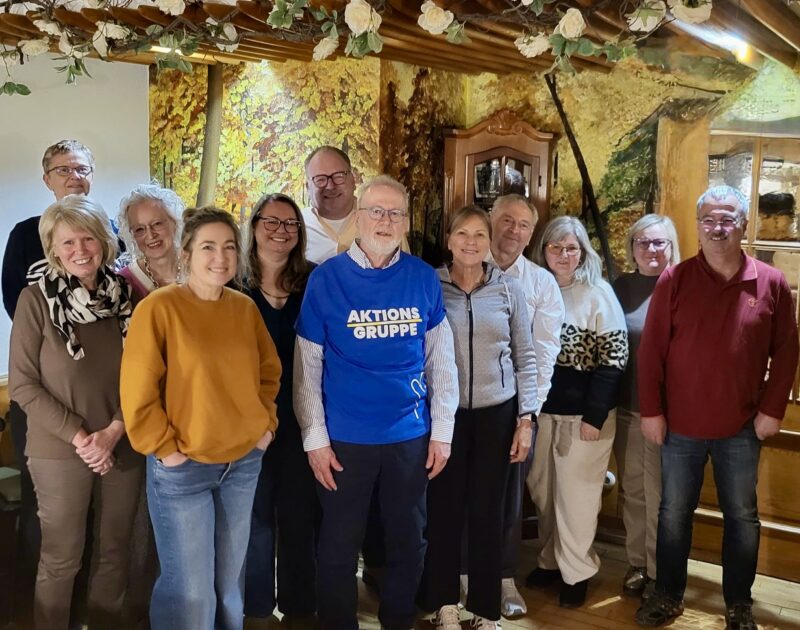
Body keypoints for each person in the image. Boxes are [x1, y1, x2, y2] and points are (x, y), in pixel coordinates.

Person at [293, 175, 458, 630]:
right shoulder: (326, 279)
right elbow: (307, 368)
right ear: (359, 217)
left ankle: (398, 620)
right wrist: (315, 440)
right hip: (345, 442)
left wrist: (442, 433)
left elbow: (440, 362)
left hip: (410, 436)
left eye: (395, 213)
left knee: (409, 541)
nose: (385, 221)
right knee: (338, 547)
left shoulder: (423, 278)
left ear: (405, 221)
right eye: (376, 211)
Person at [635, 186, 799, 629]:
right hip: (680, 427)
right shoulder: (675, 279)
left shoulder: (772, 282)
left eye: (727, 219)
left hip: (742, 426)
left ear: (743, 224)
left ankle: (738, 604)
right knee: (673, 515)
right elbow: (651, 352)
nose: (717, 228)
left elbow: (786, 351)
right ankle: (667, 595)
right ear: (698, 225)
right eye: (708, 219)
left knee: (742, 518)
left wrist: (773, 409)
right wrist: (651, 410)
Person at [120, 207, 282, 630]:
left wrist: (265, 427)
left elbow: (270, 373)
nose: (220, 257)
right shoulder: (159, 309)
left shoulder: (244, 309)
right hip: (182, 470)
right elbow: (137, 394)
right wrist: (166, 449)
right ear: (186, 253)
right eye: (208, 246)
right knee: (190, 593)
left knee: (229, 586)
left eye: (229, 247)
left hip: (242, 464)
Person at [9, 194, 142, 629]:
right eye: (67, 243)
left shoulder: (127, 297)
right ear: (53, 249)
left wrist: (114, 431)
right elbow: (24, 384)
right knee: (61, 557)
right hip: (59, 450)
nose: (80, 250)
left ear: (104, 242)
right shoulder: (35, 301)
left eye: (88, 238)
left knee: (114, 550)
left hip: (121, 444)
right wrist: (84, 438)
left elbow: (145, 375)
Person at [419, 206, 537, 630]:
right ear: (449, 240)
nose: (471, 242)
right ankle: (445, 603)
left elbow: (526, 356)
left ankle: (485, 611)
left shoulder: (508, 290)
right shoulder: (429, 285)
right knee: (444, 511)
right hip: (444, 417)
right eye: (462, 234)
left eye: (480, 235)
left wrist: (526, 418)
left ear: (489, 242)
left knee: (489, 514)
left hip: (497, 415)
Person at [2, 140, 96, 604]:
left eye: (82, 168)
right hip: (42, 401)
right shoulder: (24, 235)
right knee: (46, 516)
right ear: (47, 179)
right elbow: (17, 310)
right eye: (64, 169)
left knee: (96, 518)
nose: (74, 176)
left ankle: (88, 606)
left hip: (102, 410)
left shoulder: (109, 233)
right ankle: (33, 607)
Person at [525, 216, 628, 608]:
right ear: (544, 250)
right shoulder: (536, 288)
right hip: (541, 414)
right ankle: (552, 561)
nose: (564, 255)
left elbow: (614, 358)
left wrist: (594, 417)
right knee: (544, 493)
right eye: (556, 247)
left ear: (583, 252)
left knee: (578, 498)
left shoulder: (597, 294)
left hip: (585, 417)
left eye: (572, 248)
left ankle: (577, 572)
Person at [242, 194, 319, 628]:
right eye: (271, 221)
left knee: (298, 515)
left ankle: (300, 605)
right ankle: (255, 607)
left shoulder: (314, 281)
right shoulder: (234, 285)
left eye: (291, 224)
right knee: (254, 518)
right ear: (253, 226)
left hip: (302, 417)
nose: (281, 230)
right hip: (249, 421)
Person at [487, 194, 565, 618]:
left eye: (523, 225)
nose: (513, 230)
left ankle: (501, 579)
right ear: (490, 220)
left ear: (531, 233)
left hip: (513, 410)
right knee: (455, 496)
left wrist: (528, 416)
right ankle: (459, 577)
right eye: (506, 220)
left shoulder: (540, 283)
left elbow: (543, 354)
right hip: (458, 407)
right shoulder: (461, 270)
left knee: (506, 500)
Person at [612, 215, 680, 599]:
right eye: (643, 242)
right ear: (632, 247)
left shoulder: (683, 284)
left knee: (661, 496)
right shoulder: (621, 287)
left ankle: (660, 572)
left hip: (668, 414)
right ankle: (637, 563)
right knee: (633, 491)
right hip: (627, 407)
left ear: (671, 246)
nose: (651, 250)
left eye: (659, 242)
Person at [117, 184, 184, 300]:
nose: (151, 235)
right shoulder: (123, 283)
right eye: (139, 229)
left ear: (175, 222)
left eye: (157, 224)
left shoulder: (200, 267)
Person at [301, 146, 359, 264]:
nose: (330, 186)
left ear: (353, 180)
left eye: (338, 176)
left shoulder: (381, 221)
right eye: (320, 179)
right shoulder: (295, 226)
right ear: (308, 187)